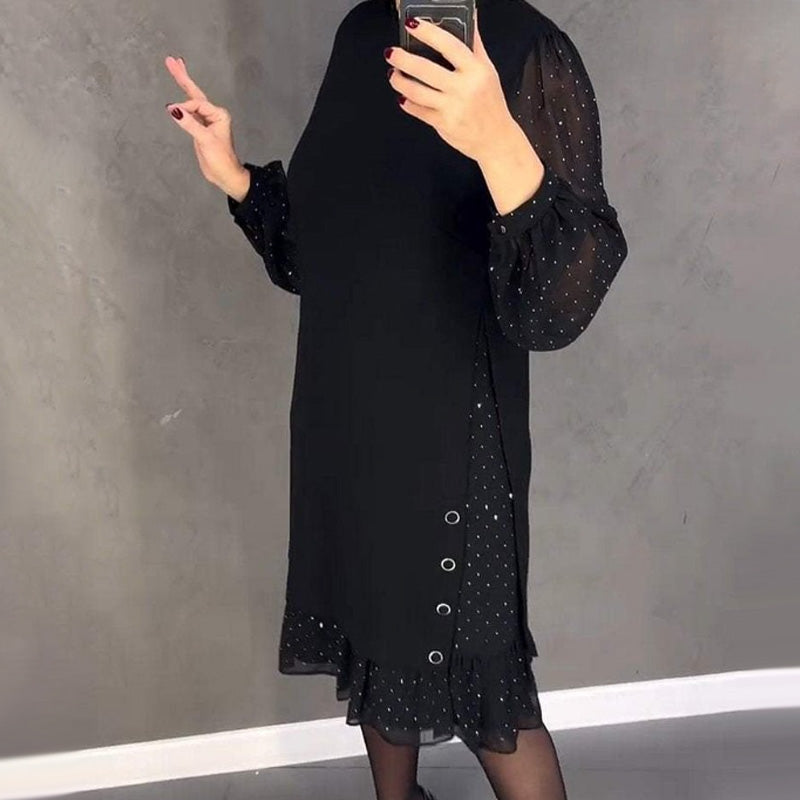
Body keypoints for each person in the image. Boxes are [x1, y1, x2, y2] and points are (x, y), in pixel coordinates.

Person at [164, 1, 628, 798]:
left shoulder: (528, 49)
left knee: (488, 693)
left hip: (452, 437)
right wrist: (233, 174)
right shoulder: (360, 33)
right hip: (347, 418)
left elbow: (556, 306)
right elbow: (319, 253)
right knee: (376, 646)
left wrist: (496, 139)